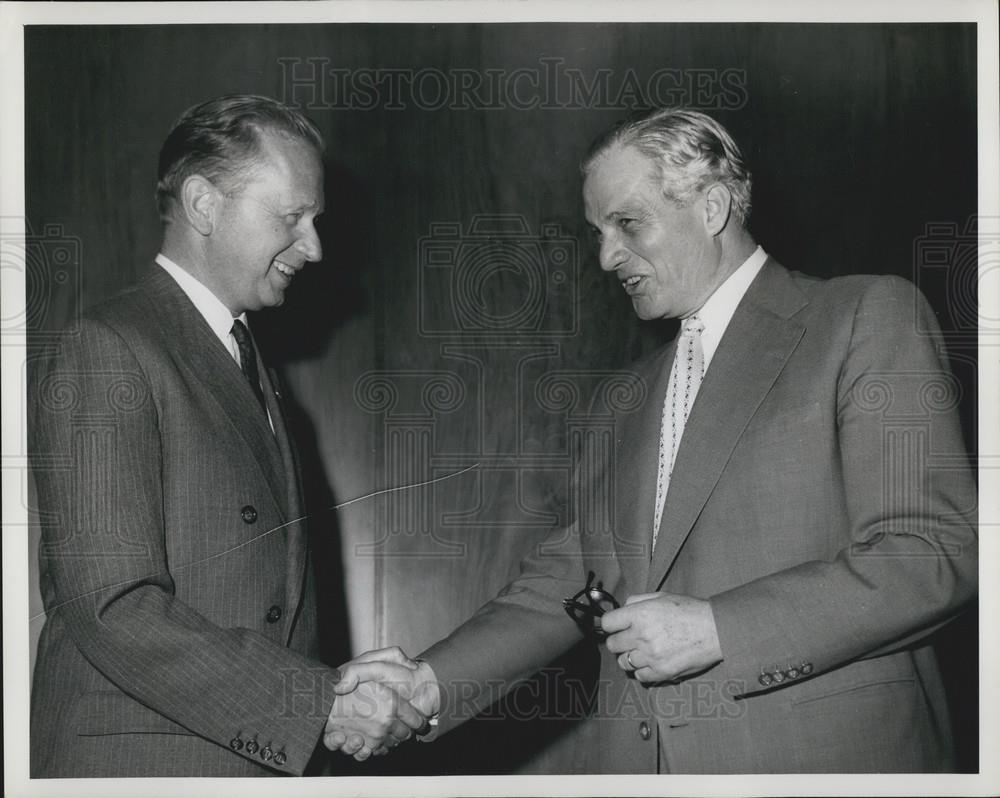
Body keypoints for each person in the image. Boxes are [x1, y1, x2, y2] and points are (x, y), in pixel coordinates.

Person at [333, 107, 979, 773]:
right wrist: (429, 682)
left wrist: (719, 630)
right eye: (598, 232)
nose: (607, 256)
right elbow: (569, 579)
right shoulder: (626, 397)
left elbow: (934, 552)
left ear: (713, 206)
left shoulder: (863, 316)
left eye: (628, 223)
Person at [28, 94, 425, 777]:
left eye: (316, 220)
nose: (314, 246)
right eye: (291, 216)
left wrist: (325, 697)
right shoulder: (110, 346)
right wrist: (316, 702)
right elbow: (113, 606)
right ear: (204, 204)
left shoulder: (247, 362)